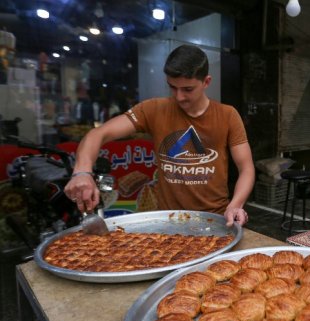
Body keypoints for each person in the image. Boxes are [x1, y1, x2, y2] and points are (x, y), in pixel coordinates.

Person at [64, 45, 255, 226]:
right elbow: (99, 134)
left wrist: (235, 205)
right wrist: (82, 172)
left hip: (216, 219)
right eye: (172, 87)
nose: (179, 96)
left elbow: (246, 168)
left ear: (206, 82)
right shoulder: (153, 109)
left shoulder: (227, 115)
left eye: (187, 89)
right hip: (169, 221)